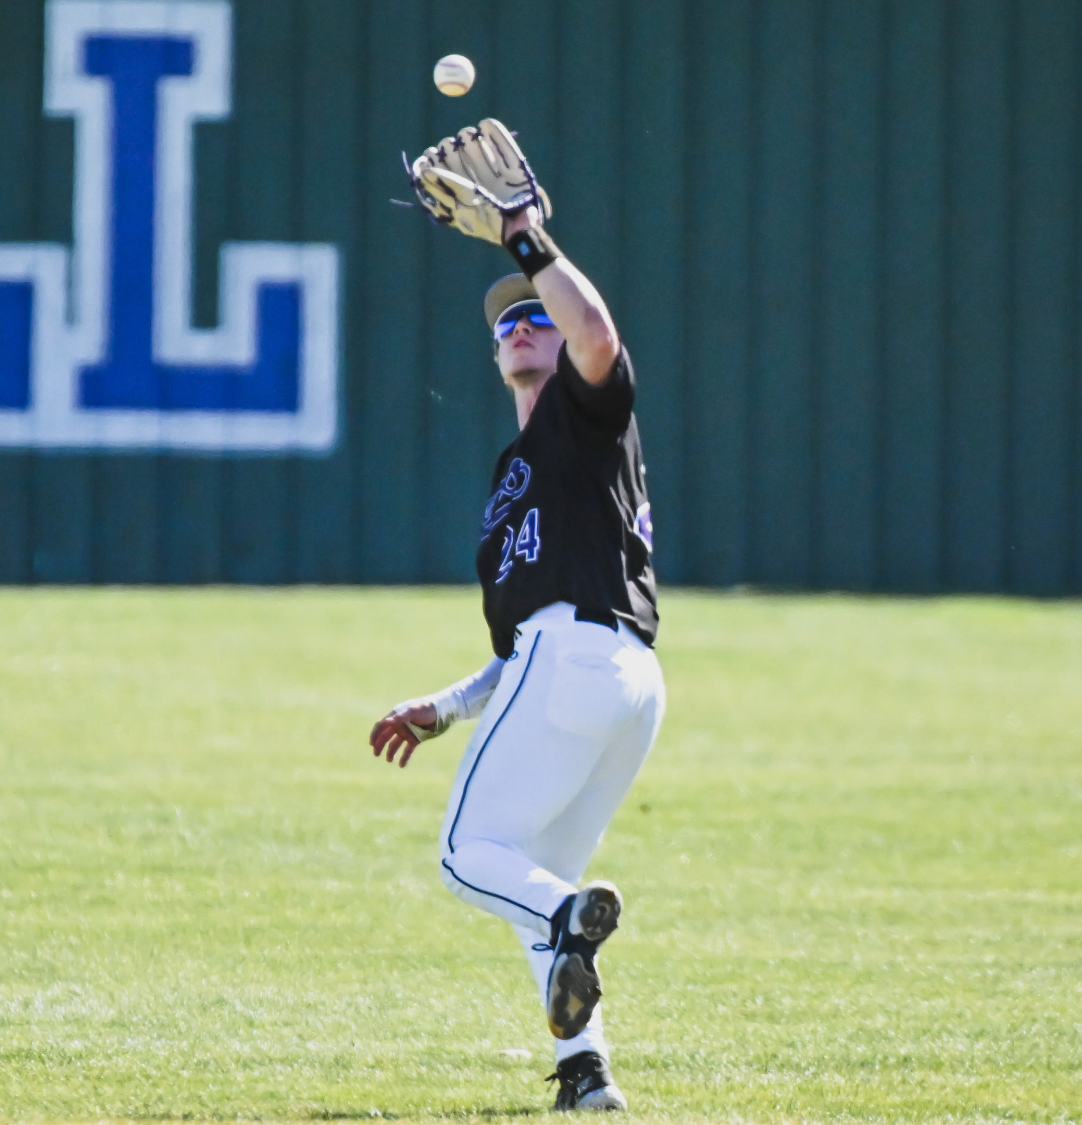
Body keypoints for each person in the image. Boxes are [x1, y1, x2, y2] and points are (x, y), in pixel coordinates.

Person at [375, 122, 664, 1113]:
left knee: (469, 860)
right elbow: (519, 647)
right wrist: (447, 706)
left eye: (527, 318)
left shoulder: (586, 417)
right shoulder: (516, 478)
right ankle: (586, 1072)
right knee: (527, 877)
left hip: (588, 664)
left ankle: (570, 921)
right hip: (609, 682)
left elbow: (592, 337)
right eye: (502, 325)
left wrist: (522, 237)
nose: (517, 328)